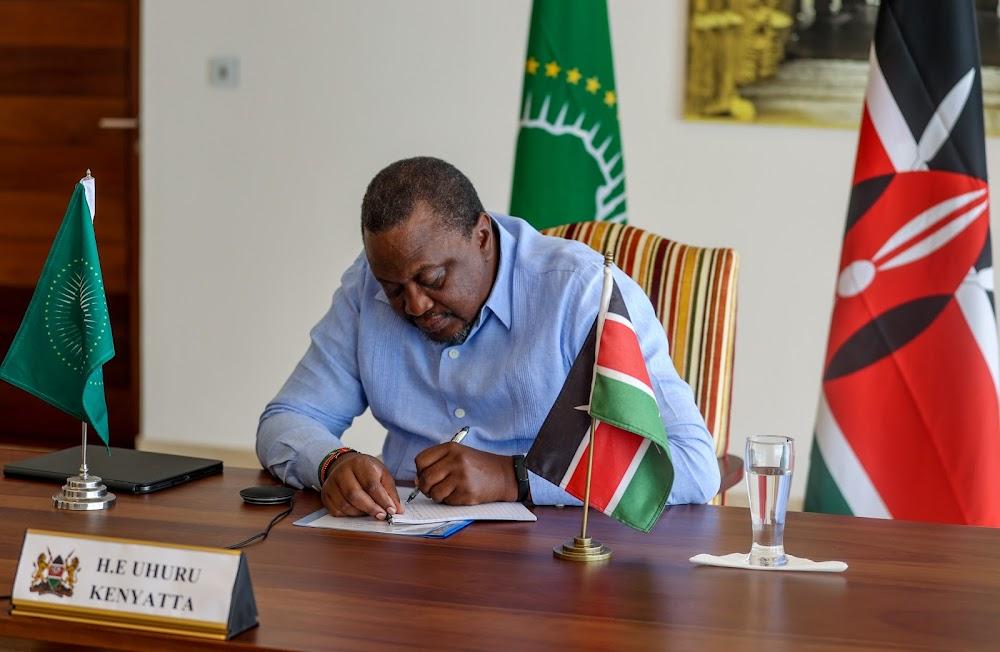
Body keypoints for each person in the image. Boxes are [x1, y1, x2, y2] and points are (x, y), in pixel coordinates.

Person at [256, 157, 721, 521]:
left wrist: (514, 477)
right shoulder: (366, 286)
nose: (414, 305)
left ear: (481, 236)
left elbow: (693, 464)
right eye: (394, 288)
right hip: (401, 542)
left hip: (551, 559)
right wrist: (332, 462)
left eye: (432, 279)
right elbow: (287, 418)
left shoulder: (582, 291)